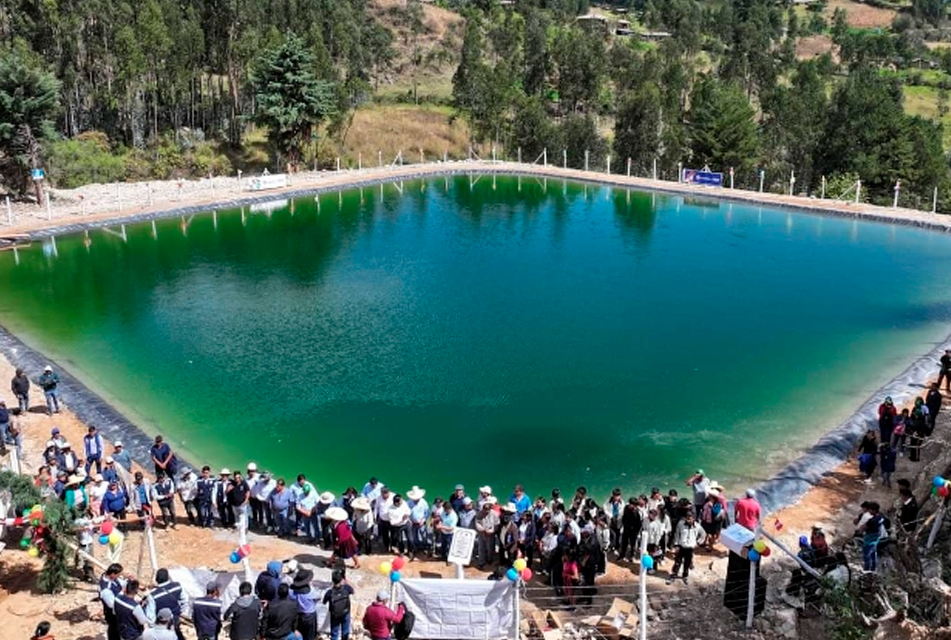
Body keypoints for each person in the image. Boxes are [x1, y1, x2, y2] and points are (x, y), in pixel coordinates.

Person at [145, 568, 186, 640]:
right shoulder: (177, 586)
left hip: (161, 624)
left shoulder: (153, 595)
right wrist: (180, 612)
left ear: (157, 579)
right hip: (175, 619)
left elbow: (150, 616)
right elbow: (184, 600)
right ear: (168, 577)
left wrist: (154, 628)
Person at [667, 511, 706, 585]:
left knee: (687, 563)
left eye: (690, 519)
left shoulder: (697, 526)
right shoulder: (681, 524)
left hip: (690, 548)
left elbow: (703, 534)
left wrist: (698, 543)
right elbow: (677, 534)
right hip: (681, 546)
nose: (688, 520)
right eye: (687, 518)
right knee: (677, 562)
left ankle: (685, 576)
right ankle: (673, 575)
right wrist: (676, 545)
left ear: (693, 519)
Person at [323, 570, 354, 640]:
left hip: (335, 616)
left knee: (334, 633)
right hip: (346, 613)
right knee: (345, 632)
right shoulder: (346, 588)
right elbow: (353, 591)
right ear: (341, 579)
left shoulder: (329, 592)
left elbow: (324, 602)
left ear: (332, 580)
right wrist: (346, 582)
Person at [291, 569, 319, 640]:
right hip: (309, 616)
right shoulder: (310, 592)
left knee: (300, 633)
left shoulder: (292, 592)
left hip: (298, 615)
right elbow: (318, 597)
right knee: (310, 635)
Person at [99, 563, 125, 640]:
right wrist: (122, 593)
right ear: (113, 574)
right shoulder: (105, 589)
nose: (118, 577)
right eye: (118, 575)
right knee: (114, 630)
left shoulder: (112, 579)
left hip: (117, 612)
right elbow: (111, 604)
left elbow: (122, 583)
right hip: (112, 613)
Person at [475, 500, 499, 568]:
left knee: (490, 548)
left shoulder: (494, 514)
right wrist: (483, 529)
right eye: (485, 510)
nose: (486, 512)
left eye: (487, 510)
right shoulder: (479, 514)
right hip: (482, 533)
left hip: (490, 534)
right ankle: (481, 561)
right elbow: (477, 523)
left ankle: (490, 559)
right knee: (481, 547)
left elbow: (496, 524)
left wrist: (491, 531)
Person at [407, 486, 430, 558]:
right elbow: (407, 512)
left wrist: (423, 520)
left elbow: (427, 513)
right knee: (414, 536)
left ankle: (425, 548)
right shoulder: (408, 502)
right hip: (412, 522)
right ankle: (416, 547)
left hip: (421, 522)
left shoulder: (424, 502)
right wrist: (409, 520)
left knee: (424, 535)